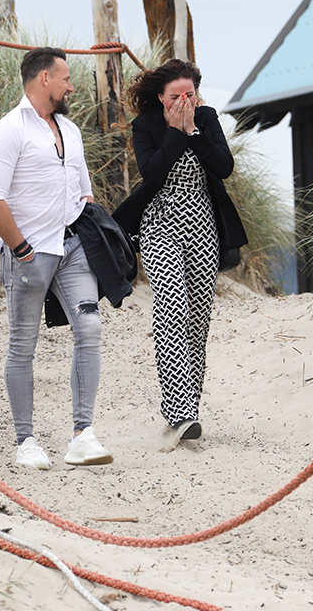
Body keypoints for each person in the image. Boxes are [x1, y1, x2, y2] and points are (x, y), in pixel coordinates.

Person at [0, 47, 114, 469]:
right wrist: (20, 248)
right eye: (66, 78)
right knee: (23, 344)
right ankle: (27, 441)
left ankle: (82, 434)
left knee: (89, 327)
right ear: (44, 79)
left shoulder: (70, 130)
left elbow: (83, 188)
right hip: (28, 253)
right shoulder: (8, 130)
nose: (71, 85)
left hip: (72, 246)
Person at [113, 59, 247, 448]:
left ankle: (189, 412)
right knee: (172, 306)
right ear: (161, 97)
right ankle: (179, 413)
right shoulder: (147, 126)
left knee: (197, 317)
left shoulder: (206, 117)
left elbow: (224, 167)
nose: (184, 101)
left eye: (189, 94)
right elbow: (152, 173)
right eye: (175, 96)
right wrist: (175, 132)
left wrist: (194, 131)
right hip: (160, 223)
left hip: (202, 224)